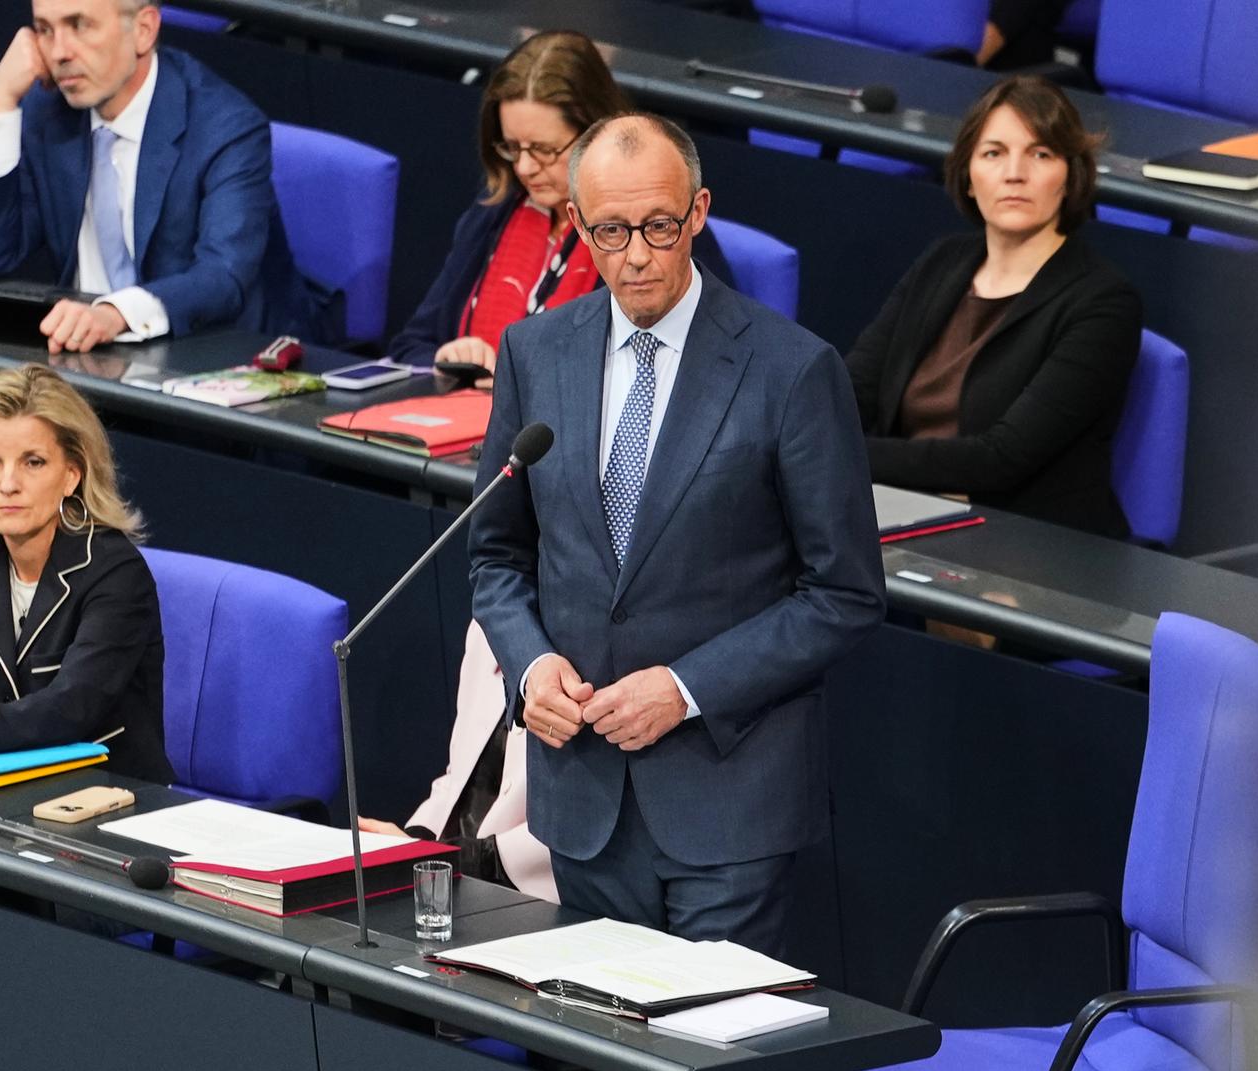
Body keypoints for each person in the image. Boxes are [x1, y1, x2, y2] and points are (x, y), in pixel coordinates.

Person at [468, 113, 885, 955]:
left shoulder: (792, 370)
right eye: (611, 230)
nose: (636, 254)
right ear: (582, 226)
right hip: (582, 796)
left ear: (698, 212)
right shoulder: (534, 352)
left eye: (659, 226)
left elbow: (843, 591)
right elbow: (496, 554)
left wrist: (687, 688)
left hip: (727, 800)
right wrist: (531, 666)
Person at [843, 75, 1143, 539]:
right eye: (993, 153)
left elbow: (998, 460)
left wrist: (844, 454)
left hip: (1029, 541)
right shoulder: (943, 262)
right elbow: (851, 392)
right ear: (967, 174)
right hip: (911, 507)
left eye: (1040, 154)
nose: (1015, 174)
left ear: (1070, 176)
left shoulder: (1102, 303)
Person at [0, 0, 325, 353]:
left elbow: (222, 276)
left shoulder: (225, 127)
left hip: (209, 358)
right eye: (44, 30)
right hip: (86, 361)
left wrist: (115, 314)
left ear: (144, 30)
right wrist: (0, 101)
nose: (58, 53)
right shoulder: (47, 109)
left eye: (79, 25)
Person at [388, 31, 737, 374]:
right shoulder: (495, 207)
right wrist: (448, 363)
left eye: (543, 150)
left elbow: (685, 368)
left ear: (594, 136)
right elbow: (412, 344)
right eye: (512, 147)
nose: (524, 167)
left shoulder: (662, 232)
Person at [0, 365, 170, 784]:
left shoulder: (116, 573)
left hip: (106, 794)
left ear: (72, 474)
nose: (8, 484)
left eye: (33, 462)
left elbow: (67, 710)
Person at [357, 622, 556, 902]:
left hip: (538, 894)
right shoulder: (486, 629)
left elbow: (583, 821)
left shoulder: (594, 644)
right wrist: (412, 841)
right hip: (455, 877)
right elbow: (458, 777)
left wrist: (434, 859)